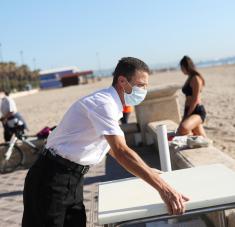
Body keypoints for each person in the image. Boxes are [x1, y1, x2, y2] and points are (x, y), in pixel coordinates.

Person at [22, 57, 189, 227]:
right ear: (122, 81)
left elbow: (109, 146)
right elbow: (120, 151)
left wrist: (147, 170)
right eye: (141, 85)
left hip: (72, 178)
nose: (144, 90)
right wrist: (164, 189)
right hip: (50, 178)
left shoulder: (112, 106)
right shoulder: (103, 103)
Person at [177, 56, 207, 137]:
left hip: (197, 110)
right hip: (189, 109)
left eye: (182, 67)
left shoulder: (196, 78)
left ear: (186, 66)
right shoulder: (189, 77)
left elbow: (195, 99)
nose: (181, 70)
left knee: (182, 129)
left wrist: (187, 115)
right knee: (201, 136)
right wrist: (185, 114)